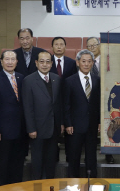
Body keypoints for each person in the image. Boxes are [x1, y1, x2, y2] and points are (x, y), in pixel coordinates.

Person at [22, 51, 64, 180]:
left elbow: (59, 104)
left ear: (52, 64)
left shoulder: (57, 79)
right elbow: (27, 107)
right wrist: (31, 128)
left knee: (51, 161)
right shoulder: (28, 80)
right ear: (36, 63)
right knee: (37, 162)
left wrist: (61, 123)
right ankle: (36, 187)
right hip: (37, 129)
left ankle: (49, 186)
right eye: (41, 61)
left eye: (47, 62)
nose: (44, 64)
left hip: (54, 128)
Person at [0, 50, 26, 185]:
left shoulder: (22, 78)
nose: (10, 62)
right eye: (7, 59)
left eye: (12, 59)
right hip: (3, 132)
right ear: (1, 62)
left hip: (21, 131)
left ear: (17, 62)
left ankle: (17, 189)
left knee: (18, 162)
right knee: (4, 164)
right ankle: (5, 190)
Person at [64, 49, 100, 178]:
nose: (86, 64)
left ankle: (93, 185)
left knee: (92, 158)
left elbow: (99, 103)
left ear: (92, 63)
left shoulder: (97, 80)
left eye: (89, 61)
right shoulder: (69, 81)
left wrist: (100, 122)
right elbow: (66, 104)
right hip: (74, 126)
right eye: (83, 61)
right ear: (78, 62)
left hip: (92, 125)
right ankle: (73, 185)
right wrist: (68, 123)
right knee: (74, 157)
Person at [87, 36, 114, 164]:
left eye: (94, 45)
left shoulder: (108, 61)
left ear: (100, 46)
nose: (92, 48)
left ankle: (109, 153)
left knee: (108, 125)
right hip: (90, 99)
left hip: (106, 98)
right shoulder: (85, 61)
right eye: (89, 46)